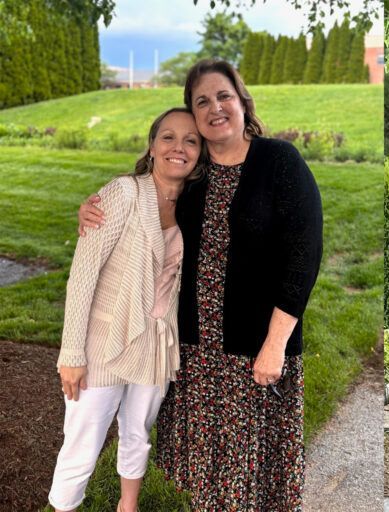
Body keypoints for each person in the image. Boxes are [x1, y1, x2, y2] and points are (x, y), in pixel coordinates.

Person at [79, 59, 323, 511]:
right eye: (202, 101)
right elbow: (143, 202)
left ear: (242, 101)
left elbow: (303, 258)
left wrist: (275, 345)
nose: (215, 108)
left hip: (255, 351)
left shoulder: (278, 162)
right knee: (207, 478)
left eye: (223, 96)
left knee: (247, 479)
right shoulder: (193, 172)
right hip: (196, 354)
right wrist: (94, 209)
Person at [50, 108, 204, 512]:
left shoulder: (196, 205)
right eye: (168, 137)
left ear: (199, 153)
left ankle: (128, 506)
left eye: (190, 140)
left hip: (156, 344)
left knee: (138, 431)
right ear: (151, 147)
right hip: (102, 343)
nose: (179, 147)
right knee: (82, 442)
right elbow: (82, 277)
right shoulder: (122, 194)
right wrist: (72, 353)